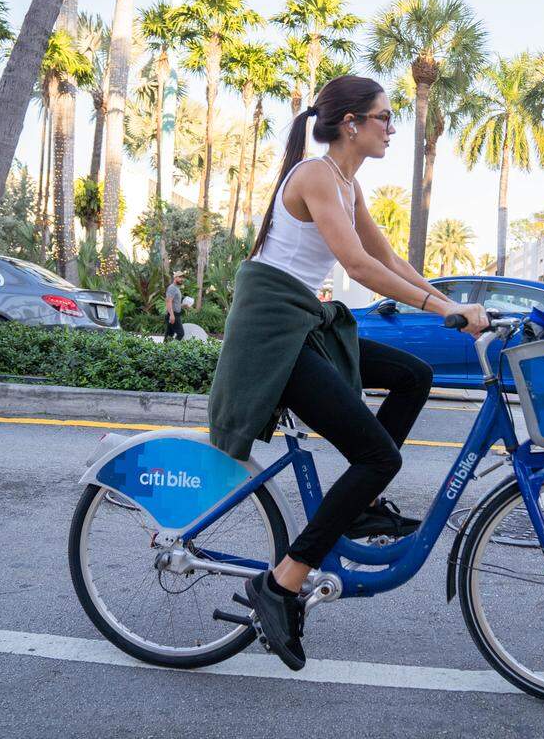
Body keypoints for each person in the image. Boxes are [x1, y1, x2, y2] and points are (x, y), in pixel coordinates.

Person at [208, 75, 489, 671]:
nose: (392, 128)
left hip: (303, 325)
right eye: (385, 117)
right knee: (377, 456)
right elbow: (357, 265)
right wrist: (439, 309)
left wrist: (453, 304)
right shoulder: (314, 174)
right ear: (351, 123)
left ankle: (361, 505)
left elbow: (388, 258)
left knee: (413, 376)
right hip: (272, 335)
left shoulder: (346, 183)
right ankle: (281, 583)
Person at [164, 271, 186, 341]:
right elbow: (168, 301)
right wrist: (172, 315)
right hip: (173, 314)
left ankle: (165, 347)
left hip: (175, 314)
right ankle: (173, 347)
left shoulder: (176, 288)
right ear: (175, 277)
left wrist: (183, 305)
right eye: (180, 277)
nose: (182, 279)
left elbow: (175, 303)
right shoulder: (172, 288)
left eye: (182, 277)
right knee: (180, 333)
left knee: (169, 335)